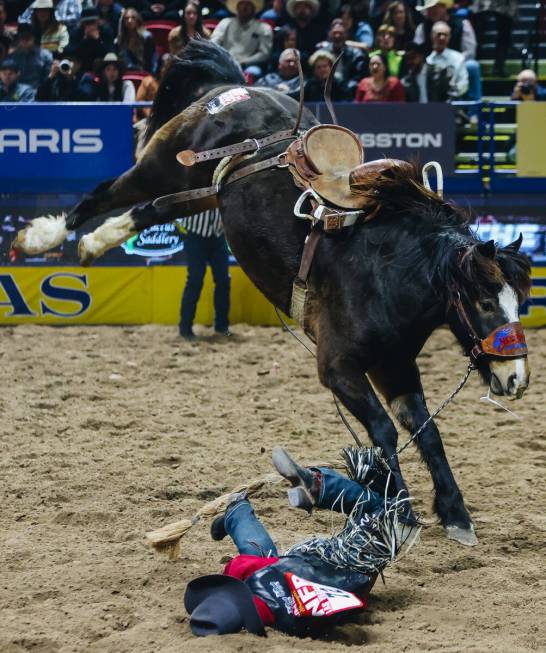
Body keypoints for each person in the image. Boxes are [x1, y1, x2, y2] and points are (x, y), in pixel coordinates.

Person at [185, 447, 414, 637]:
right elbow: (241, 564)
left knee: (384, 512)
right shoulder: (253, 579)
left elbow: (344, 608)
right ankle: (311, 487)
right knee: (390, 508)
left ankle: (245, 511)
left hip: (346, 570)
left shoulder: (289, 622)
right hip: (321, 558)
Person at [178, 208, 231, 340]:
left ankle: (222, 326)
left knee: (223, 281)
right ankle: (185, 328)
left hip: (218, 236)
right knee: (195, 281)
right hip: (194, 235)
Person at [211, 0, 272, 78]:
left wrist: (243, 62)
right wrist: (222, 58)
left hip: (248, 65)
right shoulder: (225, 22)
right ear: (237, 7)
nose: (245, 6)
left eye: (248, 4)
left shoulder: (264, 28)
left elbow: (264, 54)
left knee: (253, 72)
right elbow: (213, 43)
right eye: (242, 3)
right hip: (224, 61)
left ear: (254, 8)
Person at [318, 18, 368, 97]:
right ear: (330, 34)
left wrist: (345, 88)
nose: (337, 36)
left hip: (346, 91)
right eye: (335, 33)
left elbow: (358, 78)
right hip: (326, 89)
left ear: (346, 34)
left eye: (340, 33)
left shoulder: (356, 54)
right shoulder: (322, 52)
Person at [472, 0, 517, 77]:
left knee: (503, 38)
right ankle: (474, 67)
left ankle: (498, 68)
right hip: (487, 6)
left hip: (502, 7)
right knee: (477, 37)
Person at [425, 21, 467, 101]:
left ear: (449, 37)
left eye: (445, 35)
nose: (442, 38)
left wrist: (451, 96)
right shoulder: (427, 60)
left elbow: (463, 84)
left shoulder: (458, 58)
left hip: (453, 100)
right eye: (439, 34)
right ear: (432, 36)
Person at [68, 7, 113, 72]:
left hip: (101, 66)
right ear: (82, 23)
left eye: (92, 22)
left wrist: (98, 40)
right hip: (81, 66)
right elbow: (71, 52)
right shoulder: (76, 32)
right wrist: (84, 40)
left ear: (98, 21)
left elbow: (109, 53)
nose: (90, 25)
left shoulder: (106, 31)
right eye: (87, 23)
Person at [10, 21, 52, 90]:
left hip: (40, 92)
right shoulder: (12, 57)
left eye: (27, 37)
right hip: (17, 94)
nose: (25, 40)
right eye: (22, 37)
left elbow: (48, 77)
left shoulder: (46, 55)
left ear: (34, 37)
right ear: (18, 39)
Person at [283, 0, 326, 66]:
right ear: (294, 10)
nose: (302, 10)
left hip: (312, 67)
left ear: (311, 10)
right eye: (299, 7)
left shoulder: (318, 30)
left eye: (306, 7)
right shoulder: (285, 29)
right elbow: (276, 54)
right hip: (290, 65)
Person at [116, 7, 157, 72]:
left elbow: (152, 59)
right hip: (126, 72)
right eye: (126, 18)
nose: (130, 21)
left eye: (133, 18)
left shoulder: (147, 37)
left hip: (144, 71)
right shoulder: (120, 39)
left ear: (137, 20)